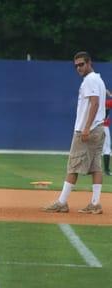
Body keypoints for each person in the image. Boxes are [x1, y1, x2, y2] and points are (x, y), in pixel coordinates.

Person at [44, 51, 106, 214]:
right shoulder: (98, 79)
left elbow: (94, 104)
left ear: (89, 63)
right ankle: (95, 203)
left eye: (81, 64)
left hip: (87, 130)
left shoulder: (90, 80)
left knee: (73, 165)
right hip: (99, 128)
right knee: (96, 167)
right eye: (76, 65)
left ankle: (62, 202)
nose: (78, 68)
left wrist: (86, 128)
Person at [102, 94, 112, 175]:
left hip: (93, 127)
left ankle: (84, 169)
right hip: (103, 127)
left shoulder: (94, 102)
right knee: (107, 149)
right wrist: (110, 95)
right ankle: (106, 170)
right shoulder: (106, 103)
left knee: (90, 148)